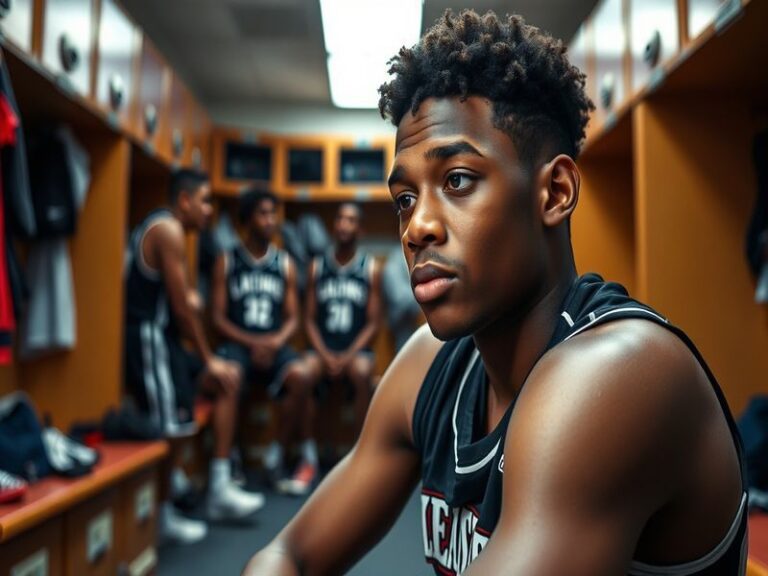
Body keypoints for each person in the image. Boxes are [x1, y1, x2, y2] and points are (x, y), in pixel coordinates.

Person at [243, 10, 746, 576]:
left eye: (457, 180)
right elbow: (288, 555)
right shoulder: (431, 365)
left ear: (554, 193)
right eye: (406, 198)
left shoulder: (621, 373)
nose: (416, 228)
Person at [124, 169, 264, 545]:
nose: (209, 210)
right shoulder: (168, 230)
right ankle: (162, 516)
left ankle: (218, 485)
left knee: (227, 379)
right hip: (149, 341)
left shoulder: (174, 232)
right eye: (204, 201)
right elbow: (183, 311)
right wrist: (207, 359)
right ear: (184, 201)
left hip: (166, 342)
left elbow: (185, 300)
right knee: (172, 426)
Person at [211, 188, 317, 495]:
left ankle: (275, 454)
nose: (271, 220)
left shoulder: (284, 263)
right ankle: (227, 462)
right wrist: (251, 342)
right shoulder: (227, 261)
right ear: (247, 219)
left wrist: (274, 342)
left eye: (273, 214)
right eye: (263, 214)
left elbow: (293, 318)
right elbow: (217, 318)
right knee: (228, 376)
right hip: (239, 344)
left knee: (301, 375)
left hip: (273, 345)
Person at [304, 202, 382, 440]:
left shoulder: (370, 268)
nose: (344, 225)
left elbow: (373, 323)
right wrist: (325, 354)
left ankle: (360, 448)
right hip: (322, 348)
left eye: (351, 220)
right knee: (303, 373)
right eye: (340, 219)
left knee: (362, 371)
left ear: (361, 230)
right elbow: (308, 320)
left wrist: (348, 356)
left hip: (355, 349)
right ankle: (308, 451)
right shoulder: (317, 267)